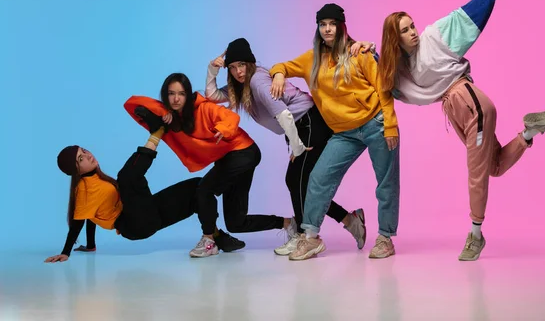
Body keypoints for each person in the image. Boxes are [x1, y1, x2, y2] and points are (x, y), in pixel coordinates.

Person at [377, 0, 545, 261]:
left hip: (469, 101)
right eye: (405, 30)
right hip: (458, 110)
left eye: (412, 25)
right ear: (395, 38)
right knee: (492, 167)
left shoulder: (434, 36)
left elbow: (467, 15)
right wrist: (357, 47)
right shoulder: (400, 69)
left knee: (476, 174)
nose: (413, 31)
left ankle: (475, 236)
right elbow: (381, 77)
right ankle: (530, 131)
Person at [204, 37, 367, 255]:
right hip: (300, 127)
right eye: (232, 67)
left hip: (309, 122)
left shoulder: (257, 81)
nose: (238, 72)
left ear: (250, 63)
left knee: (296, 180)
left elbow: (284, 114)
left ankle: (306, 235)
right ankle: (348, 220)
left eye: (242, 65)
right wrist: (211, 70)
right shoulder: (240, 86)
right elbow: (213, 96)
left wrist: (298, 147)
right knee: (304, 183)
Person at [270, 3, 400, 260]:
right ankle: (311, 238)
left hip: (375, 123)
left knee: (386, 183)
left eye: (332, 24)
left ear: (341, 27)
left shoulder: (358, 53)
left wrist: (390, 125)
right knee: (318, 179)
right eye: (322, 24)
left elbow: (383, 88)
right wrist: (277, 75)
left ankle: (385, 237)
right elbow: (281, 66)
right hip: (343, 133)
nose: (327, 29)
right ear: (318, 28)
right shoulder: (311, 59)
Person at [124, 73, 295, 258]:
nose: (175, 99)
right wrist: (163, 111)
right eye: (171, 93)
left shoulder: (203, 108)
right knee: (236, 222)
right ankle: (288, 224)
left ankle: (208, 240)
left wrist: (223, 129)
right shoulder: (171, 116)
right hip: (230, 158)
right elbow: (134, 102)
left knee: (204, 189)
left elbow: (230, 118)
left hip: (244, 152)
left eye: (181, 94)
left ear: (188, 95)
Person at [44, 110, 243, 263]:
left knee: (198, 187)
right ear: (77, 170)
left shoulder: (96, 179)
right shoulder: (84, 191)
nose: (88, 155)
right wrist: (65, 252)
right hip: (134, 224)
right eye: (81, 159)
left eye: (84, 151)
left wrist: (90, 246)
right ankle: (157, 132)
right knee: (127, 176)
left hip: (146, 213)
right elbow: (80, 220)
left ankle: (214, 237)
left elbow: (91, 216)